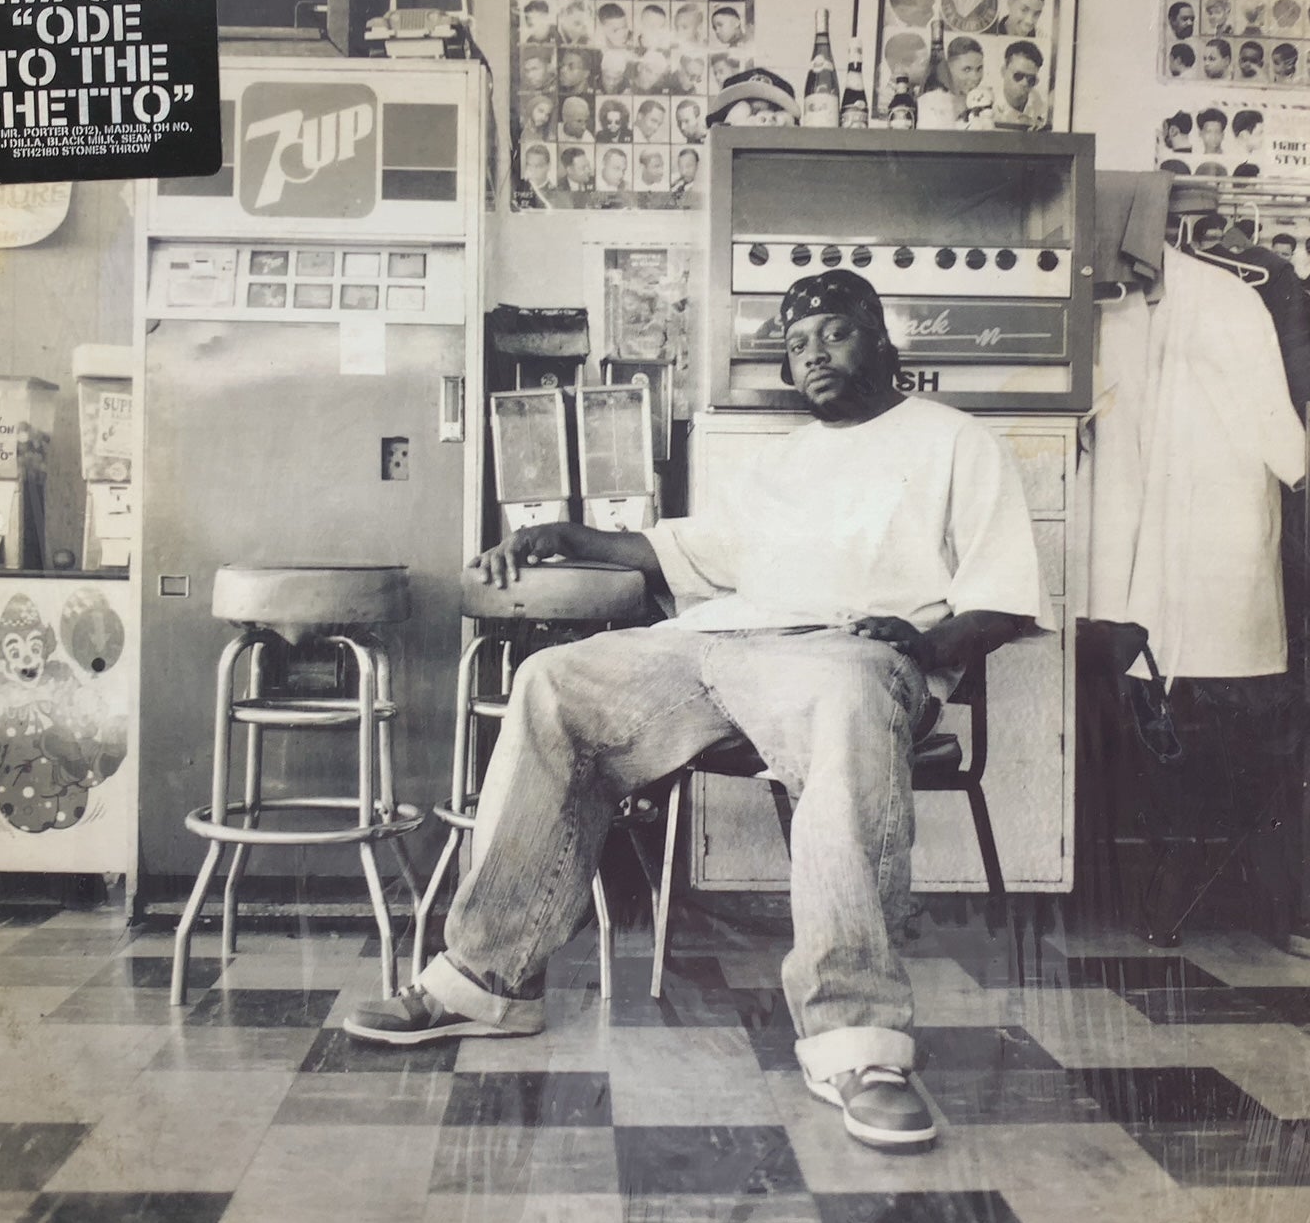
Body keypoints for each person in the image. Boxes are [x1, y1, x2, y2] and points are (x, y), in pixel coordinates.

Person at [342, 270, 1049, 1155]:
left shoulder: (955, 442)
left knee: (844, 706)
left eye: (834, 334)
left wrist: (926, 643)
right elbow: (681, 551)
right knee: (553, 681)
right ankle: (488, 980)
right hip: (721, 642)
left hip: (848, 653)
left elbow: (1003, 599)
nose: (814, 355)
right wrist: (559, 535)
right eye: (797, 344)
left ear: (881, 339)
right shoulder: (780, 462)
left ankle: (858, 1043)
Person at [965, 39, 1048, 128]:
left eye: (1031, 79)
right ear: (1003, 71)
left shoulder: (1040, 106)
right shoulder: (982, 102)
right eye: (1018, 76)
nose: (1024, 83)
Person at [918, 34, 985, 125]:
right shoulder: (934, 101)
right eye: (967, 69)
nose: (975, 77)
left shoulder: (978, 101)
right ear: (949, 67)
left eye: (979, 69)